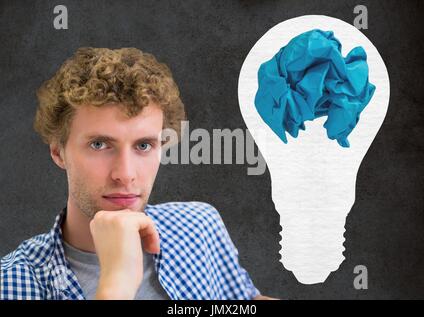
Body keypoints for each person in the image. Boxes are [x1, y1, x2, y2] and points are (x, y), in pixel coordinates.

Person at [0, 47, 274, 300]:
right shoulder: (12, 283)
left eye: (144, 145)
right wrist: (118, 281)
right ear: (58, 152)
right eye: (99, 144)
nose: (125, 174)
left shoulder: (199, 224)